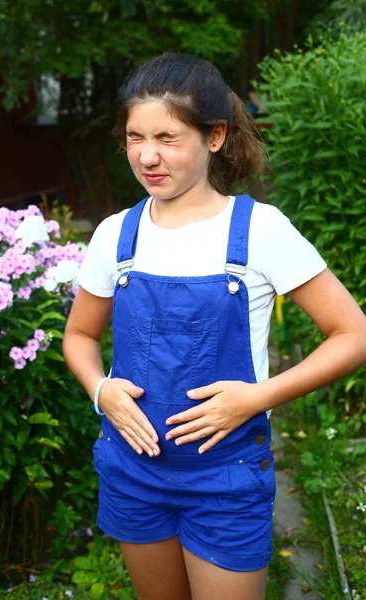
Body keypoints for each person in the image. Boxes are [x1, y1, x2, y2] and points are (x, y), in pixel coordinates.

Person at [62, 53, 366, 600]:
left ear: (216, 136)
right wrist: (100, 390)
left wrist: (256, 398)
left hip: (226, 479)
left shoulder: (260, 231)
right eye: (135, 137)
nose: (148, 156)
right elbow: (80, 336)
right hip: (133, 473)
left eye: (168, 138)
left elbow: (354, 334)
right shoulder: (114, 235)